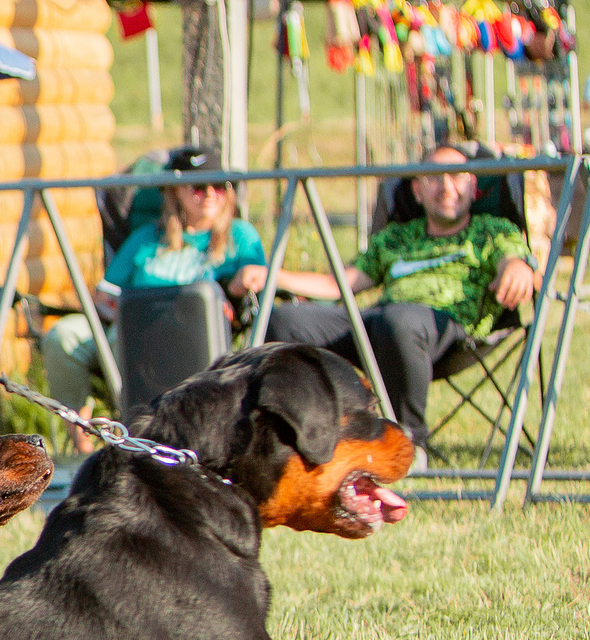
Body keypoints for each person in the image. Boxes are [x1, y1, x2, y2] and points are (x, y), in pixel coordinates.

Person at [266, 143, 538, 451]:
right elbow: (338, 283)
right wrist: (270, 275)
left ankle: (408, 445)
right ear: (417, 191)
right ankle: (303, 440)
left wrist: (517, 268)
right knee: (285, 321)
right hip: (381, 323)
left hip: (447, 328)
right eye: (434, 178)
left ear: (473, 187)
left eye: (456, 176)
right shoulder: (397, 237)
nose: (446, 187)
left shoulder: (490, 231)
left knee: (400, 321)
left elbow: (512, 258)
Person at [39, 146, 263, 448]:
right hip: (130, 328)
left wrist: (239, 285)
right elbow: (104, 296)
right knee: (62, 337)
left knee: (136, 339)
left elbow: (257, 279)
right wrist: (119, 310)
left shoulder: (240, 236)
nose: (210, 194)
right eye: (198, 187)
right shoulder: (146, 238)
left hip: (196, 336)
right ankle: (83, 444)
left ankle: (143, 436)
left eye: (219, 186)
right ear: (175, 192)